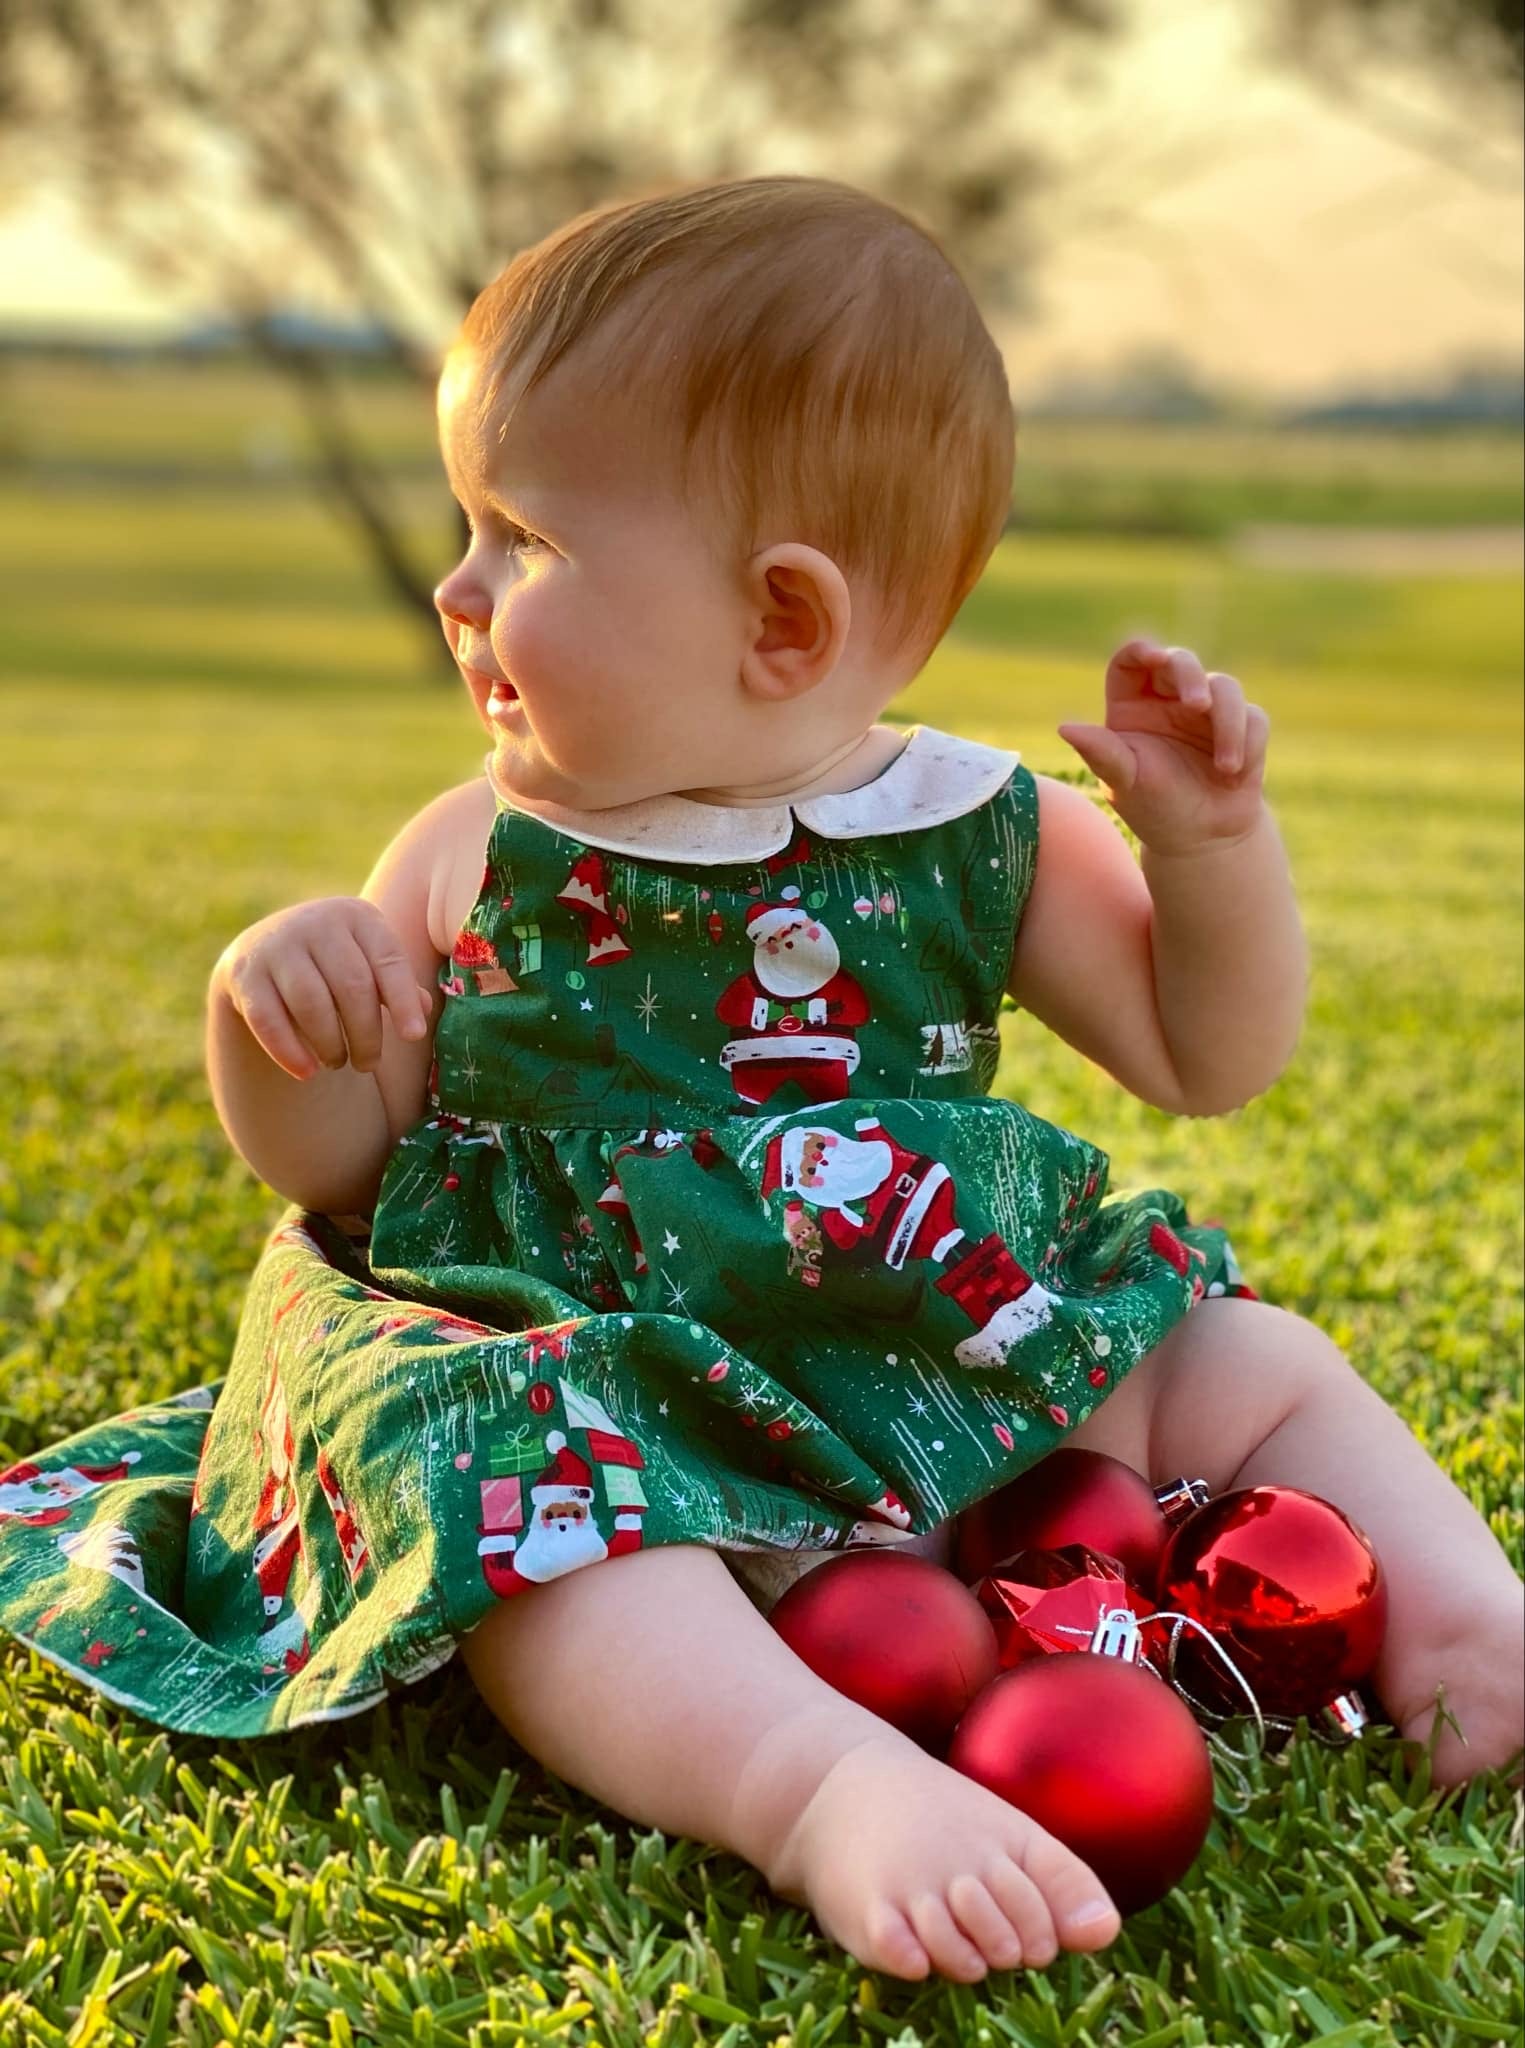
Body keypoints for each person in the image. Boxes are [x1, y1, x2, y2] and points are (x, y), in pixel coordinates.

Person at [1, 175, 1520, 1989]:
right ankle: (813, 1782)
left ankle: (1474, 1633)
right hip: (593, 1359)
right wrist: (278, 1025)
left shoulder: (983, 829)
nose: (454, 585)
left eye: (521, 541)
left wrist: (1205, 854)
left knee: (1242, 1361)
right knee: (534, 1521)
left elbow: (1208, 1056)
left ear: (783, 620)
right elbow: (347, 1169)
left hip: (922, 1329)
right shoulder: (478, 850)